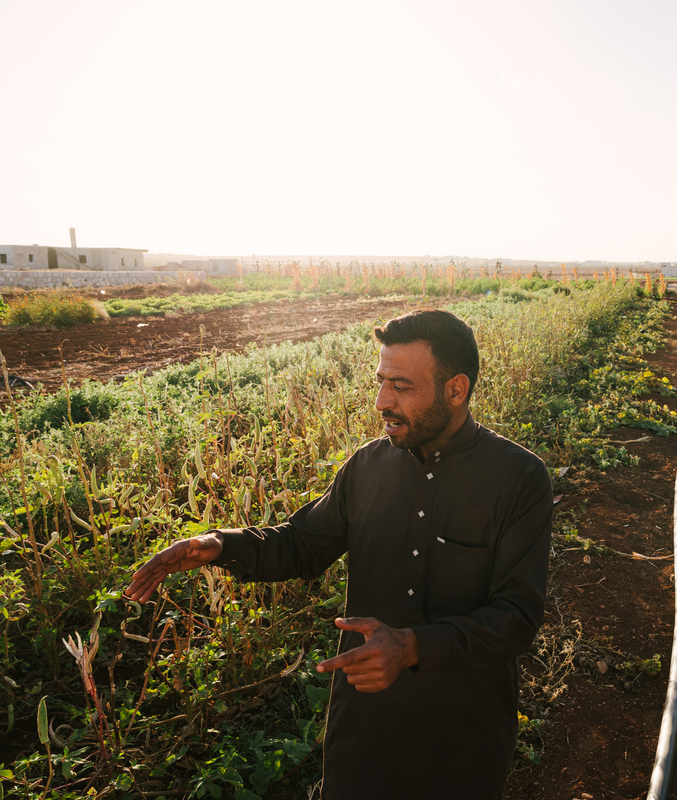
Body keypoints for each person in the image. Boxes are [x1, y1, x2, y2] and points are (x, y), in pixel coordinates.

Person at [126, 309, 554, 799]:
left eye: (402, 386)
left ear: (456, 390)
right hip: (365, 727)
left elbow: (515, 617)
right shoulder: (367, 467)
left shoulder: (518, 480)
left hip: (464, 732)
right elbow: (302, 544)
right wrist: (221, 545)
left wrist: (412, 646)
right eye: (380, 382)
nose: (381, 402)